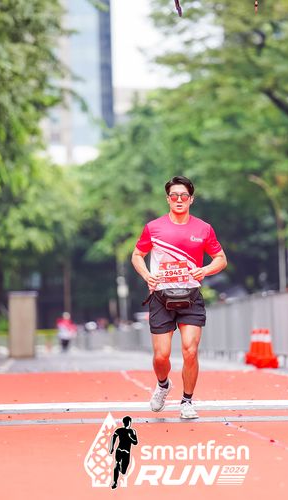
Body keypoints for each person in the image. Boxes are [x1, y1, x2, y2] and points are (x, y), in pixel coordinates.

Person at [132, 176, 227, 419]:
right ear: (168, 199)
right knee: (161, 356)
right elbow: (137, 255)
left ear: (191, 199)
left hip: (190, 297)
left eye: (184, 195)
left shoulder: (203, 229)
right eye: (174, 195)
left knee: (190, 350)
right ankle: (163, 385)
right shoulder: (153, 228)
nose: (179, 199)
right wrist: (147, 275)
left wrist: (204, 270)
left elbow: (221, 259)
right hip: (160, 297)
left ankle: (187, 401)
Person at [109, 415, 138, 489]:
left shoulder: (132, 431)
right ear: (128, 422)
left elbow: (135, 442)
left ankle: (119, 468)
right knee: (117, 464)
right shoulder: (120, 430)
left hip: (124, 452)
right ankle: (115, 482)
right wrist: (111, 447)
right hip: (121, 451)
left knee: (123, 471)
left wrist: (130, 437)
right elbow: (113, 437)